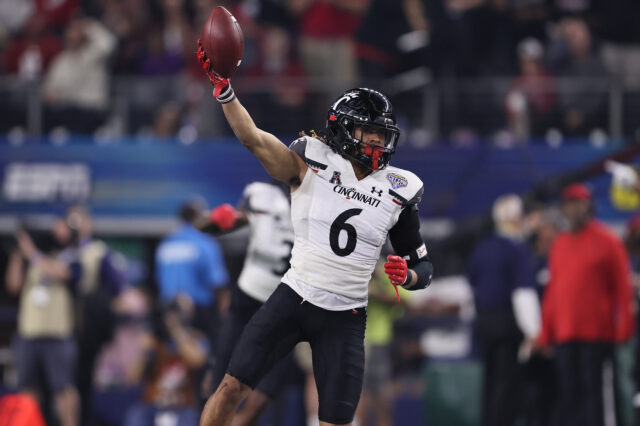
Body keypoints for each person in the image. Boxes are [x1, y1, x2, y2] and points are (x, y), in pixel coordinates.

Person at [196, 38, 434, 426]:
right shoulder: (310, 160)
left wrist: (407, 275)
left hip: (347, 315)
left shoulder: (399, 189)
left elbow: (423, 266)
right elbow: (252, 138)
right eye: (367, 131)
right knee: (230, 388)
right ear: (343, 129)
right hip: (294, 296)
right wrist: (225, 92)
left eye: (381, 134)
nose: (376, 141)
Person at [199, 179, 297, 426]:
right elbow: (205, 226)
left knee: (267, 390)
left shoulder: (316, 203)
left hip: (284, 302)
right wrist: (219, 220)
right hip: (250, 294)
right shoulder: (262, 195)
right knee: (221, 375)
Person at [538, 183, 635, 426]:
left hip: (597, 334)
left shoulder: (608, 241)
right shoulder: (560, 245)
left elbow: (622, 288)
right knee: (569, 396)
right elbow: (554, 292)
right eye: (569, 203)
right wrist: (545, 331)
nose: (573, 209)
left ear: (588, 205)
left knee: (596, 397)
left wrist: (625, 324)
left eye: (578, 203)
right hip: (566, 334)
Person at [467, 194, 540, 426]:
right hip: (508, 326)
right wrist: (533, 331)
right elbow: (523, 294)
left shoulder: (482, 248)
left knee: (490, 383)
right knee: (507, 385)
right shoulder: (516, 250)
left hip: (484, 325)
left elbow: (471, 286)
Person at [5, 220, 79, 426]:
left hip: (58, 335)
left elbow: (61, 273)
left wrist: (31, 251)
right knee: (27, 389)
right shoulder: (30, 260)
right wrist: (18, 253)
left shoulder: (67, 256)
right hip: (29, 334)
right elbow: (13, 285)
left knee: (63, 389)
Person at [123, 297, 209, 426]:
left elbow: (197, 361)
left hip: (183, 407)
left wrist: (176, 331)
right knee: (135, 415)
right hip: (153, 406)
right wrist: (144, 353)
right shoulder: (155, 341)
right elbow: (131, 378)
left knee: (191, 420)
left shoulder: (195, 338)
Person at [156, 198, 229, 345]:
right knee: (201, 361)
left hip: (169, 312)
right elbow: (218, 282)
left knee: (174, 358)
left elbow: (159, 280)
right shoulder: (205, 243)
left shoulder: (165, 244)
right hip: (198, 313)